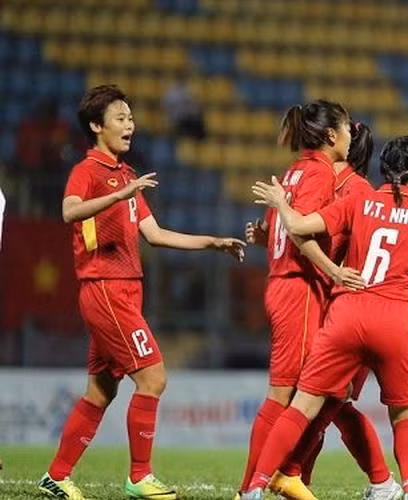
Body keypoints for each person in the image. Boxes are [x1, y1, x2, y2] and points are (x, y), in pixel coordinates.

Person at [37, 84, 245, 500]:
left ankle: (56, 476)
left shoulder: (128, 175)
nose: (129, 125)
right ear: (97, 126)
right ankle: (139, 476)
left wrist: (212, 242)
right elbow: (68, 211)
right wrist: (117, 194)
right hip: (106, 289)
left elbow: (154, 234)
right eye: (120, 118)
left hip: (125, 292)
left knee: (101, 390)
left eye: (131, 117)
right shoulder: (88, 171)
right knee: (153, 377)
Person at [242, 135, 408, 500]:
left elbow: (299, 228)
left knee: (302, 406)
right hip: (396, 319)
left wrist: (282, 203)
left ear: (383, 169)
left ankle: (253, 489)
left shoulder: (358, 201)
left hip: (348, 312)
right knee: (405, 417)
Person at [242, 121, 399, 500]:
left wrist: (270, 236)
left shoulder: (318, 179)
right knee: (326, 398)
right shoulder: (355, 187)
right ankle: (299, 478)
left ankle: (298, 478)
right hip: (344, 303)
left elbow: (299, 232)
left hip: (328, 300)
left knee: (323, 399)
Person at [236, 99, 358, 500]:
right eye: (346, 129)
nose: (351, 135)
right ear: (330, 136)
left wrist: (262, 236)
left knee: (306, 393)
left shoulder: (295, 171)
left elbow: (282, 227)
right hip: (300, 288)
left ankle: (290, 476)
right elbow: (301, 234)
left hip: (283, 285)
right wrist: (334, 270)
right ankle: (250, 489)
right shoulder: (321, 173)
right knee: (286, 394)